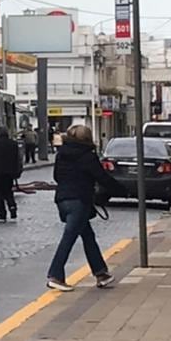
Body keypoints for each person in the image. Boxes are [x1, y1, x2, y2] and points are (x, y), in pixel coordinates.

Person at [46, 124, 125, 292]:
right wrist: (123, 190)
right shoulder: (87, 156)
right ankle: (55, 275)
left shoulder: (62, 154)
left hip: (62, 200)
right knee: (69, 238)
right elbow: (101, 177)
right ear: (87, 139)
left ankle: (101, 273)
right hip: (79, 201)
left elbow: (56, 176)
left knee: (88, 236)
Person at [0, 125, 23, 221]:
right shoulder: (13, 144)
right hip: (10, 172)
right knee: (9, 191)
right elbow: (18, 158)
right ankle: (13, 209)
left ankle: (2, 213)